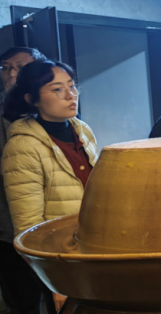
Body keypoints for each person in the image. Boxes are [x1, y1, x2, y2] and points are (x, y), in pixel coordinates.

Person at [1, 60, 98, 312]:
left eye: (72, 86)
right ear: (31, 99)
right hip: (60, 261)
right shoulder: (23, 145)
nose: (70, 95)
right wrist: (56, 281)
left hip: (91, 250)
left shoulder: (82, 129)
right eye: (57, 89)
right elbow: (28, 227)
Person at [0, 47, 46, 314]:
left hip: (55, 224)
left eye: (20, 67)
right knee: (22, 301)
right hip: (8, 229)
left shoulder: (57, 114)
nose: (11, 74)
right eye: (6, 68)